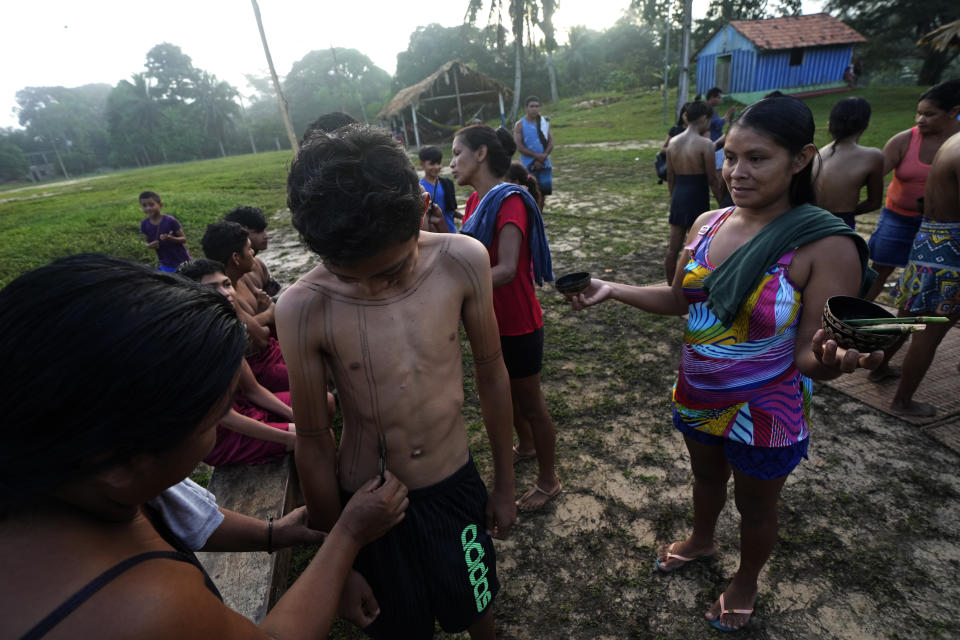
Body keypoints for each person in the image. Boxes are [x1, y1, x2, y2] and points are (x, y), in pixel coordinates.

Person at [567, 95, 882, 632]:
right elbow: (679, 301)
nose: (736, 172)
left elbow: (811, 353)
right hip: (699, 392)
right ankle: (702, 540)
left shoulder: (826, 245)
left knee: (756, 508)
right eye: (730, 156)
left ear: (801, 158)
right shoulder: (708, 223)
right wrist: (612, 288)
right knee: (704, 479)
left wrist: (832, 362)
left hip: (767, 409)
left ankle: (746, 581)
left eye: (756, 158)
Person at [0, 253, 408, 640]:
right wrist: (348, 535)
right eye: (216, 418)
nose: (219, 426)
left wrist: (273, 532)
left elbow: (178, 511)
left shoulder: (73, 467)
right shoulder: (142, 609)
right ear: (122, 463)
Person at [278, 124, 516, 640]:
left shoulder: (462, 260)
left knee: (477, 601)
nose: (369, 287)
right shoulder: (302, 307)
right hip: (368, 507)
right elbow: (315, 444)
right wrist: (337, 555)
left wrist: (504, 482)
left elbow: (493, 374)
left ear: (420, 209)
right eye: (348, 275)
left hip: (455, 485)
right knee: (399, 628)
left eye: (388, 272)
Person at [451, 124, 561, 514]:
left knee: (530, 403)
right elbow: (466, 253)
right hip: (489, 319)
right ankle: (527, 445)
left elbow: (509, 269)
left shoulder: (510, 201)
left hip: (518, 321)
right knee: (506, 396)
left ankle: (549, 480)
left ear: (481, 154)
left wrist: (454, 285)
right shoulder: (474, 203)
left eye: (457, 154)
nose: (452, 164)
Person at [177, 258, 298, 466]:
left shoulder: (226, 326)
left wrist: (294, 416)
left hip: (245, 407)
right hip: (221, 436)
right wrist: (288, 436)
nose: (226, 293)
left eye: (226, 284)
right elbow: (225, 416)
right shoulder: (195, 344)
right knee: (307, 436)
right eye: (212, 288)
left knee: (313, 416)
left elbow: (252, 389)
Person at [875, 131, 960, 416]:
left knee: (909, 320)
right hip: (951, 252)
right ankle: (902, 401)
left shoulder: (953, 141)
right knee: (929, 331)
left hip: (930, 241)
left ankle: (879, 367)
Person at [864, 79, 960, 301]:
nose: (920, 120)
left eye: (929, 114)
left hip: (940, 228)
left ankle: (901, 330)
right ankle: (855, 316)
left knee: (920, 280)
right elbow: (872, 176)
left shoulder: (956, 145)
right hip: (897, 218)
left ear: (954, 112)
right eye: (918, 113)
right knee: (878, 271)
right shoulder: (904, 140)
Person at [201, 221, 288, 393]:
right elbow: (262, 336)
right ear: (236, 258)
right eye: (249, 249)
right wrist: (265, 316)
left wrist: (260, 319)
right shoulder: (226, 293)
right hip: (257, 367)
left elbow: (269, 309)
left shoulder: (243, 277)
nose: (253, 253)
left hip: (270, 348)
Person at [665, 100, 724, 285]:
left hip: (679, 196)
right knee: (696, 248)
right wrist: (722, 202)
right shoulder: (705, 144)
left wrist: (674, 197)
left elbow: (670, 177)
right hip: (698, 196)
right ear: (704, 118)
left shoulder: (673, 143)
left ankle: (669, 287)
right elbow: (712, 180)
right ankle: (690, 288)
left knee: (673, 248)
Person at [814, 97, 884, 229]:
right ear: (865, 124)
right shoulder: (873, 156)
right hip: (840, 224)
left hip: (810, 221)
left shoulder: (818, 154)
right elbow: (874, 203)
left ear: (830, 123)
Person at [224, 206, 281, 297]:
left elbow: (274, 296)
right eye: (257, 232)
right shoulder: (232, 275)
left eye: (264, 230)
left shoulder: (259, 264)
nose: (266, 236)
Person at [513, 96, 554, 208]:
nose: (534, 109)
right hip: (528, 165)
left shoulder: (544, 122)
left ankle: (539, 218)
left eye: (537, 106)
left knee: (543, 191)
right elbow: (519, 146)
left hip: (544, 164)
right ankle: (530, 219)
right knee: (530, 193)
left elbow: (551, 142)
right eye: (531, 106)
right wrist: (537, 157)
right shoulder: (520, 124)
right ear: (526, 108)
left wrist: (543, 157)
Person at [139, 190, 190, 272]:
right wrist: (149, 245)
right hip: (165, 262)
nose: (148, 208)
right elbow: (146, 242)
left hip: (182, 260)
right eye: (144, 205)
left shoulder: (170, 220)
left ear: (160, 205)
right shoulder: (144, 224)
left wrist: (171, 239)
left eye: (151, 204)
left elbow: (184, 239)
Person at [419, 146, 460, 233]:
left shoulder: (447, 184)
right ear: (422, 164)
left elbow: (451, 210)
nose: (436, 167)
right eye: (432, 164)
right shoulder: (419, 188)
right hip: (433, 236)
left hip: (451, 232)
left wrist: (465, 217)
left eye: (438, 163)